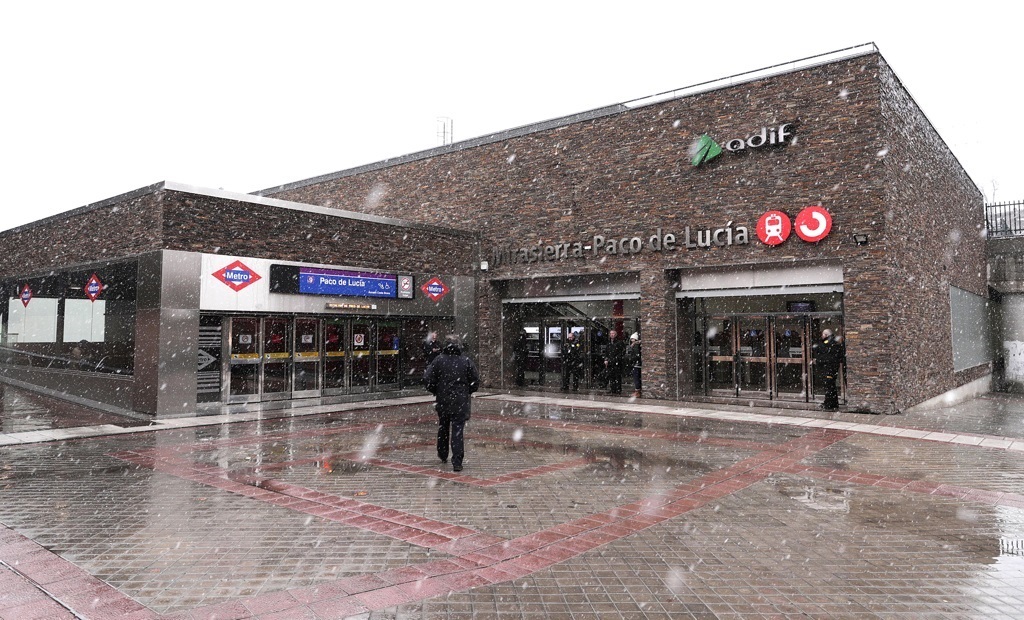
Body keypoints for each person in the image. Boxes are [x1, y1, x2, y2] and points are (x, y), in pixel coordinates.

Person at [423, 335, 479, 472]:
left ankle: (443, 454)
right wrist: (466, 391)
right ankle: (457, 462)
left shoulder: (439, 360)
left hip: (443, 400)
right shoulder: (465, 361)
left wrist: (436, 390)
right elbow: (475, 381)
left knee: (443, 427)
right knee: (457, 431)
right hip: (460, 401)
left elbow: (427, 378)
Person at [813, 329, 845, 410]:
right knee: (831, 386)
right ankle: (833, 403)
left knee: (829, 386)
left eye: (823, 334)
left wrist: (818, 360)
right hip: (832, 368)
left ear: (826, 335)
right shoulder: (833, 343)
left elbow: (827, 357)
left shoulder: (829, 344)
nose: (822, 336)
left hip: (829, 368)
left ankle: (829, 404)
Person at [605, 329, 626, 395]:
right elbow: (606, 352)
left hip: (617, 362)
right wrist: (606, 359)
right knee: (611, 376)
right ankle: (612, 389)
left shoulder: (619, 342)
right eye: (611, 333)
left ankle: (618, 389)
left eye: (613, 333)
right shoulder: (608, 343)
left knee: (617, 376)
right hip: (610, 362)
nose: (612, 335)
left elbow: (622, 352)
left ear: (616, 334)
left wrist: (616, 359)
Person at [627, 332, 642, 398]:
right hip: (637, 363)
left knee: (636, 377)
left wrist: (632, 359)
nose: (631, 340)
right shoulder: (637, 345)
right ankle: (638, 390)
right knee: (637, 377)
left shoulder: (635, 346)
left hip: (636, 364)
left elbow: (635, 355)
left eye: (632, 339)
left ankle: (637, 391)